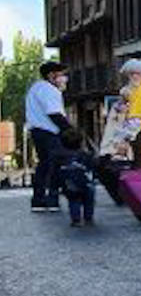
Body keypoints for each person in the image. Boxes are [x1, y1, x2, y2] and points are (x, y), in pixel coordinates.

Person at [24, 61, 70, 213]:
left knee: (43, 165)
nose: (65, 79)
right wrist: (70, 130)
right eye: (62, 75)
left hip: (38, 131)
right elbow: (54, 113)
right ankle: (52, 199)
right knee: (54, 166)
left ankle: (38, 200)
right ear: (52, 76)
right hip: (49, 133)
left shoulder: (35, 88)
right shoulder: (49, 90)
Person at [54, 127, 96, 227]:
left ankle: (76, 220)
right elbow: (93, 165)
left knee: (73, 201)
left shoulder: (60, 157)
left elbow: (55, 172)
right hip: (86, 182)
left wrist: (55, 185)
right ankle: (88, 218)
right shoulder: (85, 155)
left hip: (69, 184)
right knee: (89, 201)